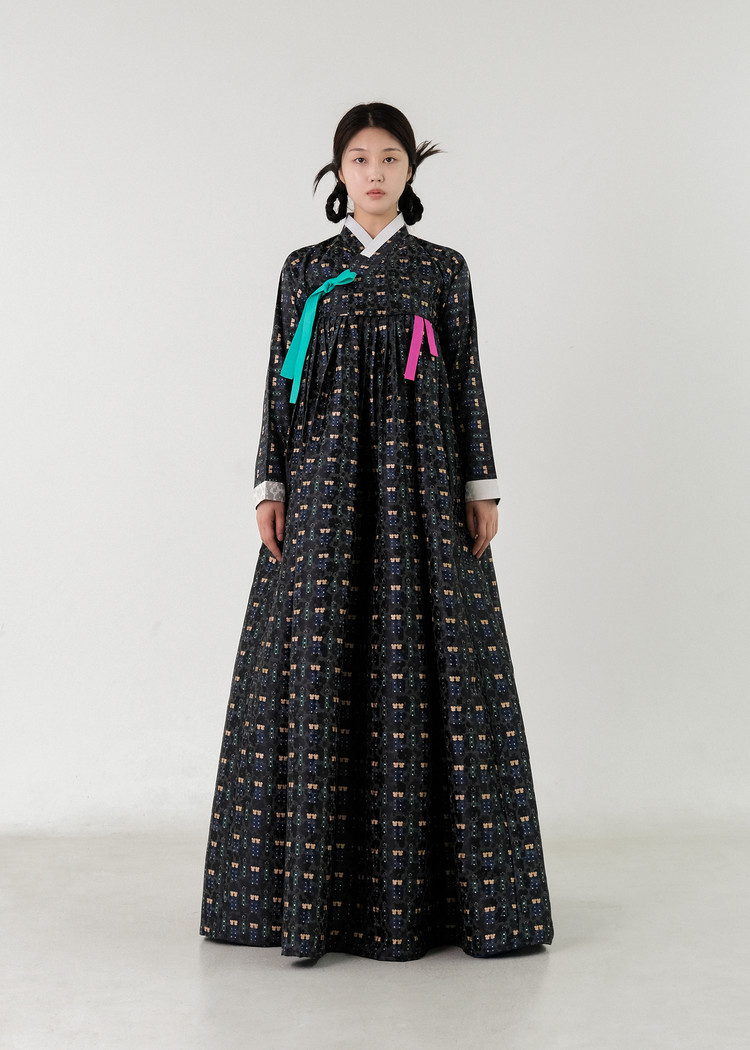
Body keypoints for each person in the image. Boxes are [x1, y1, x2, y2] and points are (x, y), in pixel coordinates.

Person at [199, 102, 554, 962]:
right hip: (321, 485)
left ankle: (441, 901)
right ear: (338, 172)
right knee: (314, 653)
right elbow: (278, 385)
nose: (374, 172)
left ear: (409, 171)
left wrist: (481, 485)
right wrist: (270, 482)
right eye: (359, 158)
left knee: (429, 655)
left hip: (422, 488)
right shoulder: (305, 270)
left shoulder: (441, 270)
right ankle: (302, 899)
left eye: (389, 157)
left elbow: (466, 378)